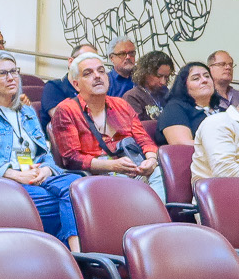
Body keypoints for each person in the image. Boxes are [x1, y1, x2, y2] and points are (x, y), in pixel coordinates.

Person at [0, 51, 81, 240]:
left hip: (36, 175)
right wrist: (14, 174)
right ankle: (72, 253)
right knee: (65, 203)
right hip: (6, 180)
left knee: (77, 186)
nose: (10, 78)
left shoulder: (27, 111)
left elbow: (45, 153)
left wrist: (47, 169)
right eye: (2, 73)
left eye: (13, 71)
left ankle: (72, 253)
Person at [50, 51, 159, 185]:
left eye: (101, 71)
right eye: (88, 73)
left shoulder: (121, 105)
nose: (97, 76)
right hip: (96, 176)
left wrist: (151, 160)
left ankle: (153, 206)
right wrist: (112, 165)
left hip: (131, 166)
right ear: (76, 85)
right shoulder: (66, 110)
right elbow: (72, 158)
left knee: (159, 173)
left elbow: (144, 139)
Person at [156, 61, 222, 146]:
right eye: (196, 78)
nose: (204, 80)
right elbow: (182, 145)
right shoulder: (174, 109)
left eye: (207, 76)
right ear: (184, 86)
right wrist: (223, 148)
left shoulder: (224, 111)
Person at [38, 44, 100, 121]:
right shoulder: (53, 87)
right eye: (86, 60)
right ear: (71, 62)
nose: (90, 66)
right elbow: (61, 118)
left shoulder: (95, 90)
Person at [124, 50, 175, 120]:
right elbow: (137, 127)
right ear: (145, 73)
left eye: (166, 77)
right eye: (158, 76)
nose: (163, 82)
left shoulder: (165, 93)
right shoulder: (132, 97)